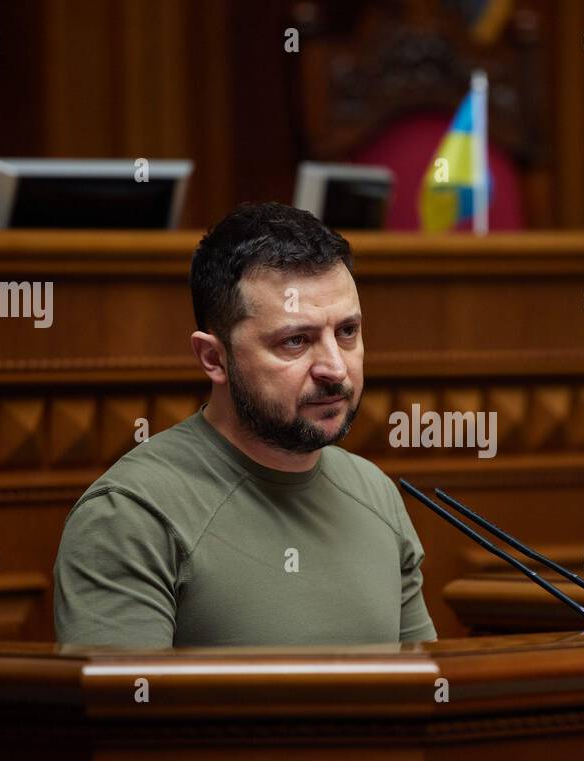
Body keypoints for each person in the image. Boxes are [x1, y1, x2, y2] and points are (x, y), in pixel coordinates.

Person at [53, 202, 437, 648]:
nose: (335, 367)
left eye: (347, 332)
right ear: (214, 358)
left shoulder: (375, 492)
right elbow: (126, 713)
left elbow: (423, 695)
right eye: (296, 341)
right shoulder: (129, 515)